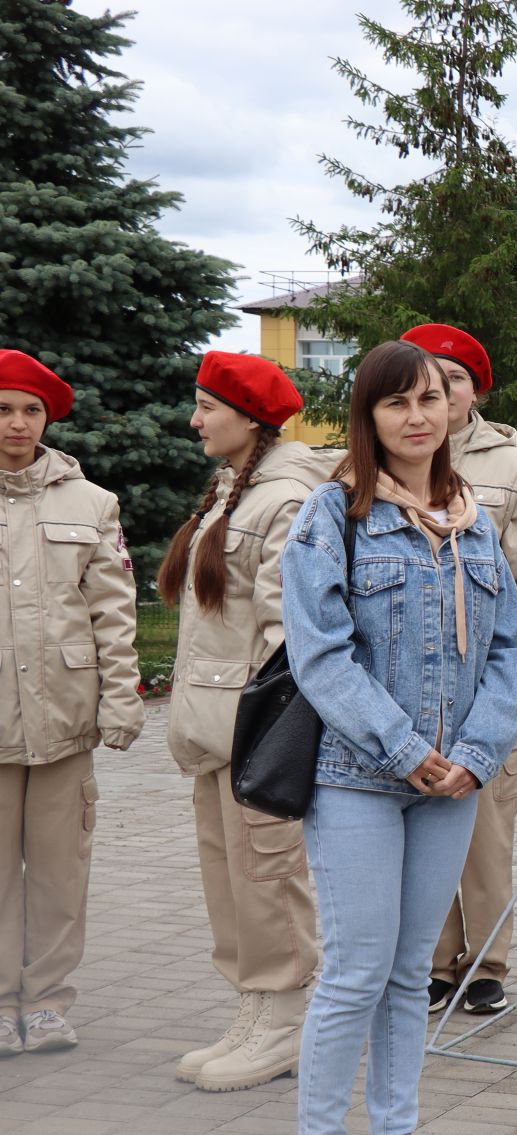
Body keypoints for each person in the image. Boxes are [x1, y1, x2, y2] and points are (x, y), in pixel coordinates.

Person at [278, 340, 517, 1135]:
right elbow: (320, 654)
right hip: (357, 776)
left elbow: (511, 645)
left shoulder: (473, 519)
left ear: (454, 410)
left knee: (407, 973)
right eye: (398, 404)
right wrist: (401, 747)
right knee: (354, 967)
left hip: (453, 781)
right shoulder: (331, 515)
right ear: (370, 416)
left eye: (432, 399)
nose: (419, 416)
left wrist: (477, 748)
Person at [160, 352, 333, 1091]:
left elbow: (284, 634)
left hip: (253, 731)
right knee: (228, 880)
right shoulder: (238, 487)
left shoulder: (284, 499)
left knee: (268, 877)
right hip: (214, 730)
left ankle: (286, 1021)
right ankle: (254, 1008)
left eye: (206, 406)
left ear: (249, 417)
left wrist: (268, 734)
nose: (195, 420)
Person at [401, 323, 517, 1019]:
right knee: (418, 814)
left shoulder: (516, 471)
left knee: (487, 830)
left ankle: (487, 961)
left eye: (453, 380)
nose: (438, 394)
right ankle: (433, 963)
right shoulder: (388, 462)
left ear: (474, 392)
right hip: (409, 676)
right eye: (424, 381)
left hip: (488, 677)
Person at [0, 350, 142, 1055]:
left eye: (31, 410)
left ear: (48, 419)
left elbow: (113, 612)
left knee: (59, 870)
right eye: (3, 409)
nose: (17, 423)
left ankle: (49, 1000)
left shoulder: (91, 504)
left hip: (63, 718)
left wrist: (121, 701)